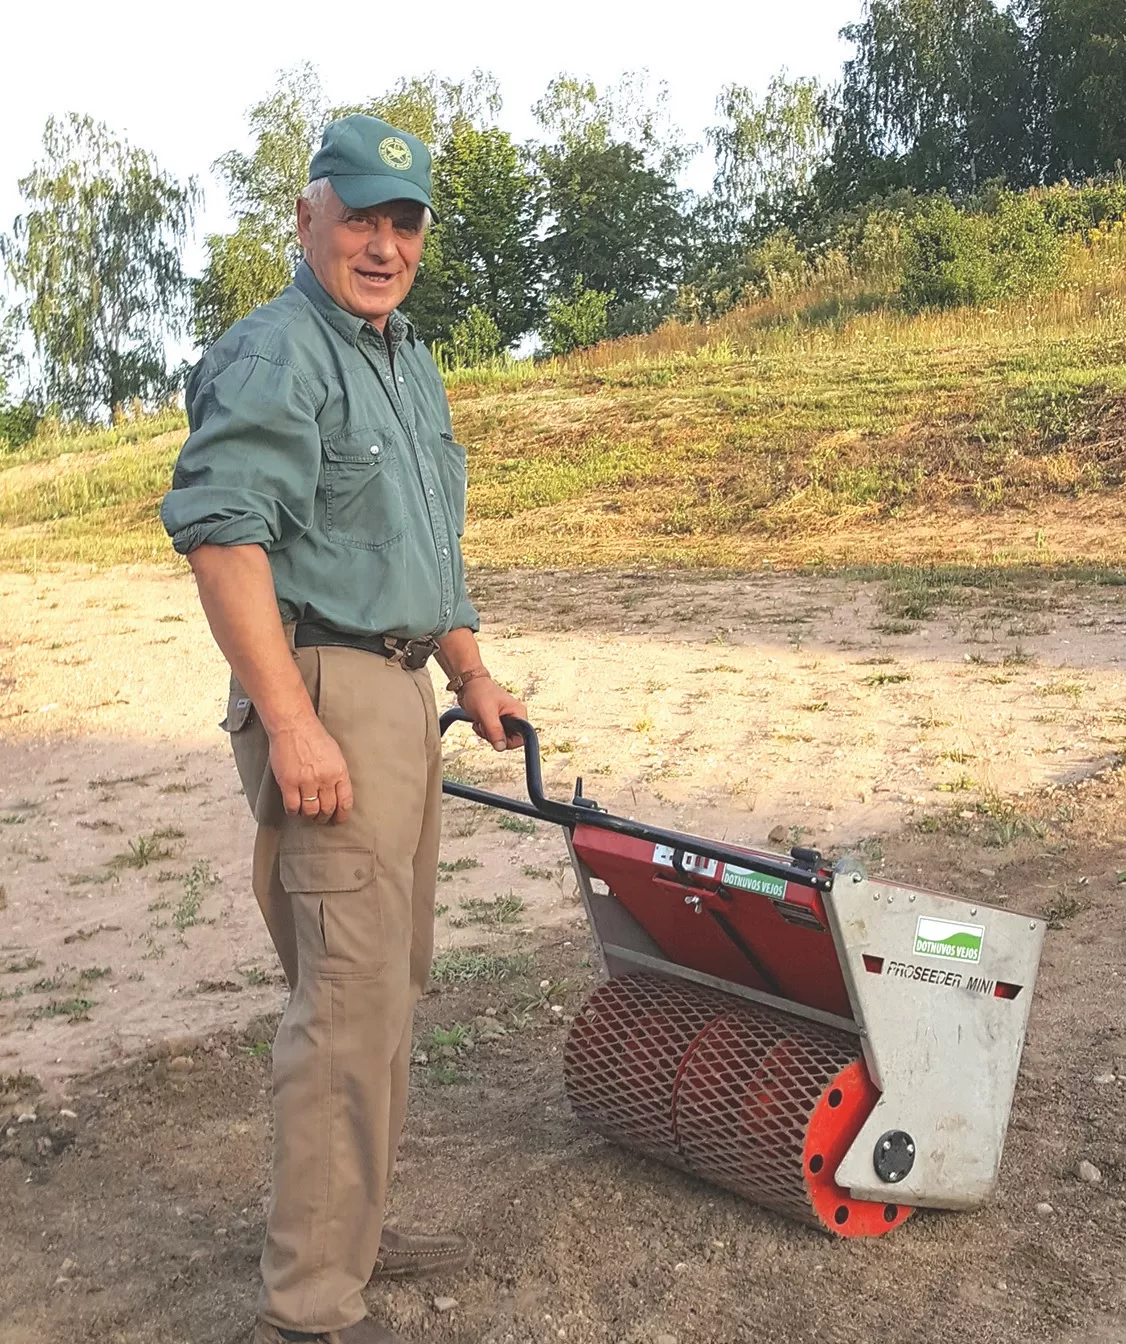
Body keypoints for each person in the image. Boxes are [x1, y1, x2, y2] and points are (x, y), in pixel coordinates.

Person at [161, 113, 527, 1344]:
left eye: (402, 224)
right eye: (359, 217)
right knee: (347, 998)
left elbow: (427, 542)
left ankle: (350, 1230)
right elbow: (223, 539)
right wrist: (292, 722)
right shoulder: (275, 354)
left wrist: (471, 671)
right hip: (323, 692)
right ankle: (312, 1305)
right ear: (305, 219)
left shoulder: (402, 360)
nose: (382, 244)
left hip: (402, 691)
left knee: (388, 985)